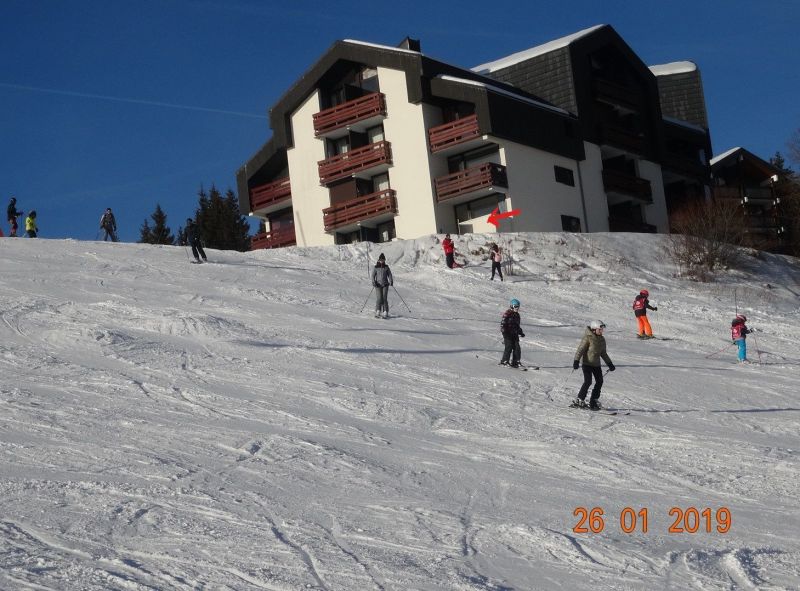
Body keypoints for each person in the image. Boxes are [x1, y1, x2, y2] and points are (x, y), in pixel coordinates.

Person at [571, 320, 615, 410]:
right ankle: (580, 399)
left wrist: (610, 364)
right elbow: (580, 350)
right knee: (588, 381)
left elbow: (603, 353)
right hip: (587, 364)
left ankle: (593, 401)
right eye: (600, 329)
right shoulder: (588, 338)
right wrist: (576, 361)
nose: (602, 331)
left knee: (599, 381)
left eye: (602, 329)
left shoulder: (602, 339)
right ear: (594, 329)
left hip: (596, 365)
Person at [499, 298, 525, 368]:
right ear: (512, 306)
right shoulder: (507, 313)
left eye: (518, 306)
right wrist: (504, 330)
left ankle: (515, 362)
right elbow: (503, 323)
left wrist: (520, 332)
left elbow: (517, 325)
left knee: (517, 348)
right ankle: (504, 361)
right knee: (509, 346)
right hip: (507, 333)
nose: (517, 308)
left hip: (514, 333)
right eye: (516, 306)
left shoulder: (517, 315)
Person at [371, 252, 393, 318]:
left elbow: (390, 275)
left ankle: (385, 311)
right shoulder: (376, 267)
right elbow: (372, 275)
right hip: (377, 285)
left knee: (384, 298)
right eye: (381, 260)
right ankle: (378, 311)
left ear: (384, 260)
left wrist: (391, 281)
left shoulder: (386, 267)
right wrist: (373, 282)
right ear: (379, 260)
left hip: (385, 285)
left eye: (383, 260)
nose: (382, 261)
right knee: (379, 298)